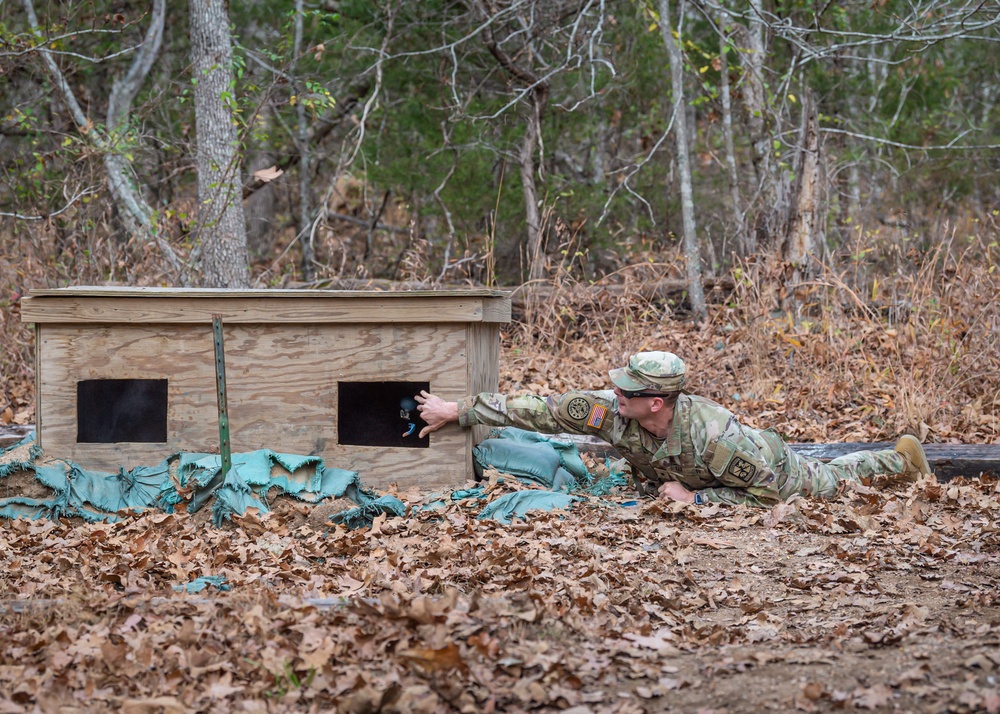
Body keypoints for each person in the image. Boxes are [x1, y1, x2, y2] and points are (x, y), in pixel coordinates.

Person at [415, 351, 932, 508]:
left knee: (832, 480)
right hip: (698, 474)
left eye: (625, 392)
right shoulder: (614, 410)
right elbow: (538, 409)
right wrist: (458, 410)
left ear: (655, 402)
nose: (612, 396)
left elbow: (767, 497)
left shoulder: (717, 438)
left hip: (771, 471)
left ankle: (901, 461)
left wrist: (697, 501)